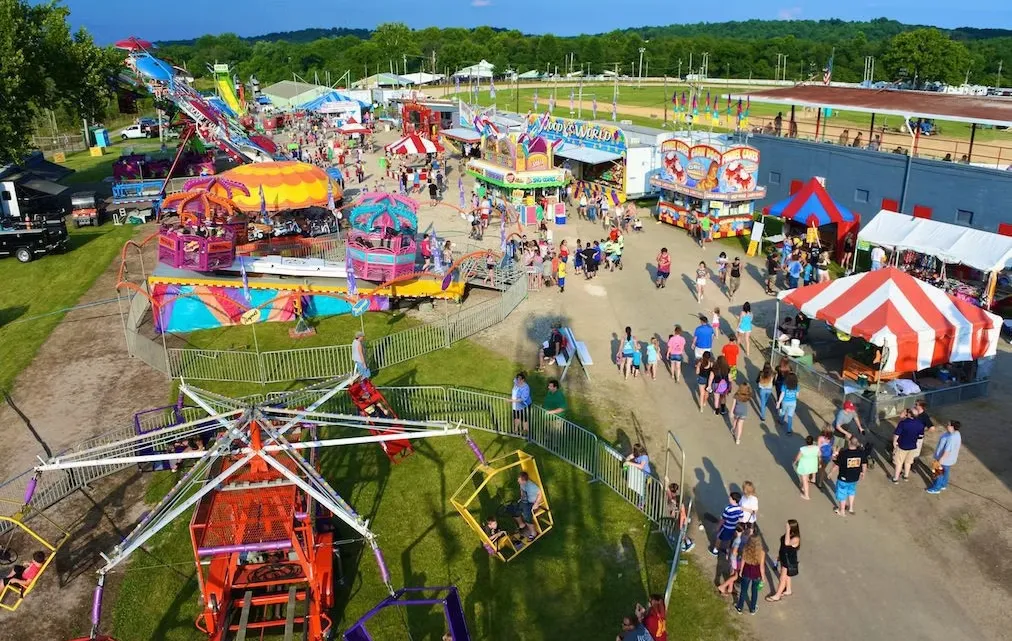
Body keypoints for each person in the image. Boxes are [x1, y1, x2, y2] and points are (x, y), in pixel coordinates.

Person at [765, 520, 800, 603]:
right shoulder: (789, 534)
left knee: (782, 578)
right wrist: (779, 556)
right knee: (787, 576)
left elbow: (787, 543)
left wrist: (787, 530)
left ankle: (777, 595)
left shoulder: (796, 538)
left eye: (787, 525)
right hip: (784, 557)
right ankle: (788, 590)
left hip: (789, 560)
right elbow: (783, 546)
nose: (785, 526)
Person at [832, 436, 868, 516]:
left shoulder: (844, 453)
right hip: (855, 478)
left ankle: (842, 511)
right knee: (851, 491)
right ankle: (851, 508)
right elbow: (864, 464)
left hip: (843, 478)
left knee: (842, 493)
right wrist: (863, 473)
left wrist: (831, 473)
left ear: (849, 443)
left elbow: (837, 465)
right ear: (856, 444)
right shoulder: (861, 453)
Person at [891, 408, 926, 483]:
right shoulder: (920, 424)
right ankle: (906, 476)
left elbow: (897, 434)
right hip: (913, 446)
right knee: (908, 462)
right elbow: (921, 436)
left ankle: (895, 479)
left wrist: (894, 442)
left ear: (909, 414)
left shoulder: (903, 423)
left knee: (899, 463)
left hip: (902, 446)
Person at [926, 420, 962, 494]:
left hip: (943, 459)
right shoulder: (955, 433)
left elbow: (947, 451)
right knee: (945, 472)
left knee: (938, 474)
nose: (946, 425)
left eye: (948, 425)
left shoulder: (952, 438)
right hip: (949, 460)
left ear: (952, 427)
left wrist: (939, 461)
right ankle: (943, 485)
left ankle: (936, 488)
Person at [735, 537, 767, 615]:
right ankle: (752, 609)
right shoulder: (761, 553)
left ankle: (739, 607)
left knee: (743, 590)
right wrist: (763, 577)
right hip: (757, 574)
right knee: (755, 591)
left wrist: (741, 570)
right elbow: (762, 566)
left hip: (746, 572)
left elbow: (743, 560)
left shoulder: (746, 549)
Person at [510, 471, 542, 541]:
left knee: (526, 515)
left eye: (519, 480)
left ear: (524, 481)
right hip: (525, 501)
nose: (518, 481)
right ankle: (522, 525)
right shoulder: (522, 484)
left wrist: (536, 503)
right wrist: (521, 498)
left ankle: (533, 533)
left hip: (532, 503)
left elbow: (540, 493)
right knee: (514, 509)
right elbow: (522, 491)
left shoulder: (532, 486)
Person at [709, 490, 743, 556]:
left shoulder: (728, 508)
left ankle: (715, 550)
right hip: (733, 527)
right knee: (729, 539)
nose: (729, 499)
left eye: (730, 498)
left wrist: (718, 526)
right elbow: (740, 518)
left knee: (719, 538)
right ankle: (727, 550)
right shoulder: (740, 508)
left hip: (726, 527)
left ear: (734, 500)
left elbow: (723, 519)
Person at [665, 482, 695, 552]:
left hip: (682, 518)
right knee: (680, 531)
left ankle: (685, 545)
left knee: (681, 531)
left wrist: (682, 521)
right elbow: (668, 493)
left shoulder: (677, 501)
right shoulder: (675, 498)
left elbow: (683, 513)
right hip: (680, 518)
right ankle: (687, 543)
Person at [794, 435, 820, 500]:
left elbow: (798, 457)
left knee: (805, 480)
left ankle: (806, 496)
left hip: (804, 466)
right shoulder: (816, 448)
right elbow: (819, 455)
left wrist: (795, 461)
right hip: (813, 465)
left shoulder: (803, 449)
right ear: (812, 441)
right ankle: (803, 487)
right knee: (807, 476)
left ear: (806, 442)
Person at [511, 372, 532, 437]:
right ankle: (515, 430)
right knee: (516, 416)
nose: (518, 380)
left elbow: (522, 399)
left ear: (523, 380)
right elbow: (514, 381)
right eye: (517, 379)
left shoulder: (526, 387)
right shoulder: (516, 382)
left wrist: (511, 400)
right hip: (516, 404)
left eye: (520, 379)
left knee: (524, 418)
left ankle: (526, 432)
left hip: (524, 404)